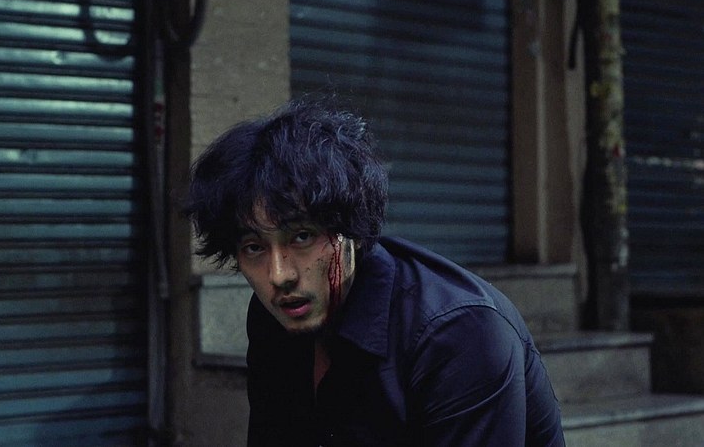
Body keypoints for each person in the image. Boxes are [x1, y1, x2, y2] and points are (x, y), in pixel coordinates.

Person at [183, 97, 565, 446]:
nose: (279, 275)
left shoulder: (458, 334)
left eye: (302, 237)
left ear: (351, 230)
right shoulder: (275, 319)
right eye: (254, 247)